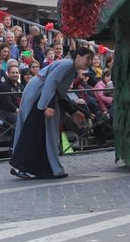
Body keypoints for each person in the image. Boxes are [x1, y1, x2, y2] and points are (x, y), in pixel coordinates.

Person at [9, 46, 93, 180]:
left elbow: (58, 91)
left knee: (39, 132)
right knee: (34, 131)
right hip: (39, 95)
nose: (90, 62)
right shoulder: (67, 65)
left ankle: (40, 168)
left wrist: (73, 110)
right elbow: (51, 83)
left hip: (42, 95)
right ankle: (23, 166)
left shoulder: (70, 68)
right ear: (78, 57)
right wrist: (49, 105)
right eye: (88, 58)